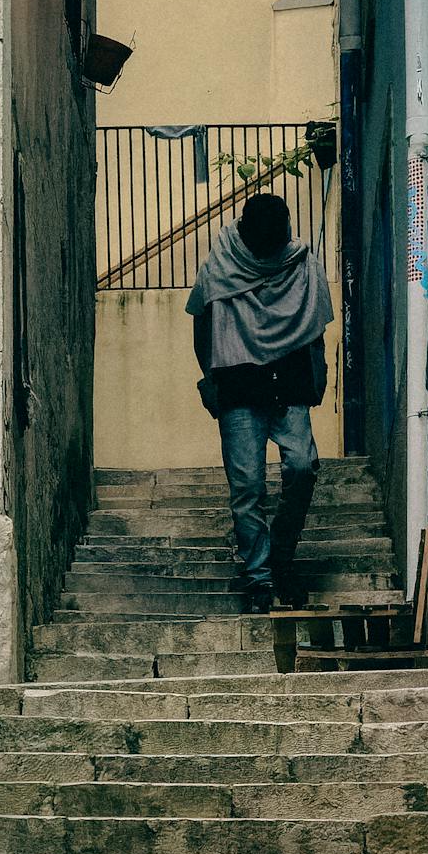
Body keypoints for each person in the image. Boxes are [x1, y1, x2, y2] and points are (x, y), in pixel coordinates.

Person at [186, 190, 333, 614]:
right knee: (247, 487)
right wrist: (210, 378)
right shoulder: (220, 264)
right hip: (238, 385)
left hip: (289, 383)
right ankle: (260, 578)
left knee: (302, 469)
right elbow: (203, 321)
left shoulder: (301, 263)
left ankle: (281, 556)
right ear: (249, 237)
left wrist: (317, 376)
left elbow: (314, 327)